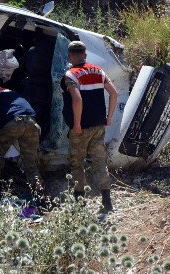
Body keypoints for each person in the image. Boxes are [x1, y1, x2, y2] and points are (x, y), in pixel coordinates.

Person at [62, 40, 118, 213]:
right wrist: (108, 118)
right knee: (100, 163)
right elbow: (114, 93)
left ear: (70, 56)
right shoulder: (98, 71)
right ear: (85, 55)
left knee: (77, 163)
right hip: (99, 125)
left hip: (81, 127)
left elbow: (77, 100)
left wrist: (77, 124)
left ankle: (80, 204)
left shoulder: (71, 75)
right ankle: (107, 203)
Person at [0, 87, 43, 192]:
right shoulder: (16, 95)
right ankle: (39, 191)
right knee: (30, 161)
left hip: (14, 122)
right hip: (32, 122)